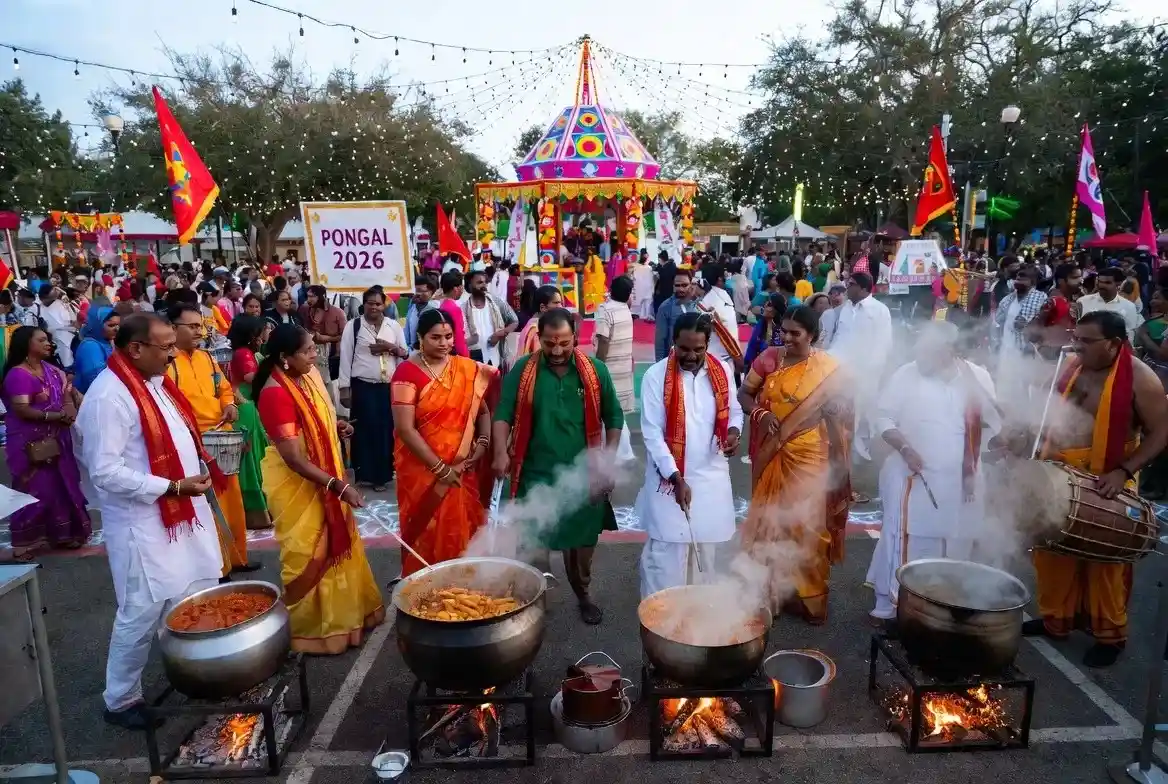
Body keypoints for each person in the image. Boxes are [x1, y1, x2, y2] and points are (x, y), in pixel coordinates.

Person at [76, 314, 222, 729]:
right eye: (165, 347)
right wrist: (173, 485)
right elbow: (104, 471)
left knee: (195, 593)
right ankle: (120, 699)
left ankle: (199, 672)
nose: (173, 353)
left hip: (179, 512)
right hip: (143, 521)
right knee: (140, 609)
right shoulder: (110, 396)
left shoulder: (155, 385)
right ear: (136, 349)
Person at [1022, 311, 1168, 667]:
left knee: (1105, 563)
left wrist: (1124, 470)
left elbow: (1162, 431)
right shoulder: (1071, 366)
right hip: (1060, 470)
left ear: (1114, 344)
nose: (1077, 346)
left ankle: (1110, 635)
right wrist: (1016, 439)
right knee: (1050, 551)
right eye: (1077, 338)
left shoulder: (1140, 378)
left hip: (1109, 477)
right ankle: (1057, 618)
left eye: (1087, 341)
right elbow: (1046, 415)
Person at [255, 324, 385, 653]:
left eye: (315, 347)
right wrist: (338, 486)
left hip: (324, 476)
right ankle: (314, 632)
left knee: (338, 545)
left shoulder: (304, 377)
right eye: (308, 351)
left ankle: (349, 618)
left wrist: (334, 425)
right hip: (299, 483)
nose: (316, 355)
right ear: (285, 358)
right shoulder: (274, 393)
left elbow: (312, 420)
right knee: (307, 552)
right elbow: (295, 459)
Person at [492, 309, 625, 624]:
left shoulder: (595, 371)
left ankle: (583, 594)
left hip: (583, 477)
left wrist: (606, 462)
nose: (556, 351)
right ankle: (538, 596)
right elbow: (503, 414)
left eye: (563, 343)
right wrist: (500, 451)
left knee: (582, 545)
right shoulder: (524, 370)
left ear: (575, 338)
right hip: (535, 473)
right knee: (535, 539)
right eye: (549, 343)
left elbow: (615, 417)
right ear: (539, 338)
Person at [865, 322, 1000, 624]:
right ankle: (895, 603)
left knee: (957, 540)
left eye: (929, 350)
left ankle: (942, 603)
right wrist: (905, 447)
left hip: (962, 480)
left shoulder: (977, 378)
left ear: (950, 350)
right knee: (906, 537)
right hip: (911, 476)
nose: (920, 356)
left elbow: (995, 421)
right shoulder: (906, 374)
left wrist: (1007, 442)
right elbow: (883, 416)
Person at [738, 306, 852, 624]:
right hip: (772, 452)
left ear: (812, 336)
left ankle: (810, 599)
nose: (787, 338)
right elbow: (745, 394)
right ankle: (773, 594)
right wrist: (761, 414)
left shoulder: (828, 368)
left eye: (795, 333)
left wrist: (836, 408)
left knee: (808, 528)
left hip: (810, 456)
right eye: (784, 331)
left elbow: (846, 407)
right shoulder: (769, 359)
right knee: (769, 524)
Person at [637, 313, 742, 598]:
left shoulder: (721, 370)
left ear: (708, 344)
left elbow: (734, 411)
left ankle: (699, 619)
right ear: (674, 343)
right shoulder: (655, 376)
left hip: (712, 478)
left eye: (699, 348)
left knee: (707, 555)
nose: (692, 355)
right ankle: (661, 620)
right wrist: (676, 477)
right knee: (666, 556)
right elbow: (652, 434)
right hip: (669, 479)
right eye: (685, 349)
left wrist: (733, 433)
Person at [392, 309, 496, 575]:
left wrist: (483, 442)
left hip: (462, 471)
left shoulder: (465, 368)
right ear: (420, 337)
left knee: (465, 532)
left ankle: (465, 590)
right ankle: (427, 591)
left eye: (448, 336)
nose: (444, 343)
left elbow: (483, 411)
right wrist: (440, 469)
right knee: (427, 532)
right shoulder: (406, 373)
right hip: (424, 473)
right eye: (435, 337)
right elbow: (405, 429)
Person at [165, 304, 257, 573]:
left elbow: (224, 388)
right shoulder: (168, 363)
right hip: (195, 440)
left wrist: (229, 404)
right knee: (207, 504)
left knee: (232, 498)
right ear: (173, 329)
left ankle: (237, 556)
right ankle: (218, 566)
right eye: (192, 327)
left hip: (222, 435)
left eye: (200, 325)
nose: (199, 331)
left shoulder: (207, 358)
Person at [1, 326, 90, 560]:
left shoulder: (53, 371)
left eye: (48, 339)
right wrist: (55, 417)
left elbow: (67, 395)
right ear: (26, 344)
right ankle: (24, 542)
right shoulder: (18, 374)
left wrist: (69, 414)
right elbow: (22, 409)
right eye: (41, 340)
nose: (48, 343)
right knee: (34, 488)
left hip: (58, 438)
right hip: (29, 443)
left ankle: (64, 534)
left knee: (63, 485)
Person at [338, 287, 409, 490]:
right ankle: (363, 474)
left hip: (388, 387)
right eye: (370, 303)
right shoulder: (354, 326)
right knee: (363, 429)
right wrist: (344, 388)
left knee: (385, 430)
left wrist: (390, 347)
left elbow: (405, 354)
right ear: (364, 304)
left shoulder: (393, 326)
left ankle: (382, 476)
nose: (374, 307)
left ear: (384, 305)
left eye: (378, 303)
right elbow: (345, 356)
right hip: (363, 386)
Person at [824, 272, 892, 465]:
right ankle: (842, 460)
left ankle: (856, 462)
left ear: (864, 288)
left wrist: (868, 372)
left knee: (862, 419)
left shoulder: (880, 310)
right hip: (840, 374)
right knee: (839, 417)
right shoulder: (844, 309)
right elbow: (839, 340)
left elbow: (883, 345)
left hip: (865, 376)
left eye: (851, 284)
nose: (847, 288)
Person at [228, 315, 273, 530]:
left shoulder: (248, 352)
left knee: (255, 455)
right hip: (245, 408)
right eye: (262, 330)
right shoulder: (243, 353)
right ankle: (253, 511)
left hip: (250, 406)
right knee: (250, 457)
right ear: (252, 334)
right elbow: (251, 378)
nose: (265, 333)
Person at [594, 275, 636, 413]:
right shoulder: (626, 309)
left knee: (608, 416)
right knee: (620, 418)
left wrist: (598, 369)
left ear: (611, 290)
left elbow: (604, 340)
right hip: (624, 370)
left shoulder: (605, 309)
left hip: (609, 373)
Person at [461, 269, 518, 367]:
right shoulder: (463, 308)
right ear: (469, 286)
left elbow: (514, 321)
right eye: (479, 283)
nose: (484, 285)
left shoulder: (496, 302)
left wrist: (500, 333)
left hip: (495, 357)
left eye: (485, 282)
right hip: (474, 359)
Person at [697, 261, 745, 373]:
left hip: (721, 356)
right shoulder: (713, 299)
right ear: (719, 279)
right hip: (719, 358)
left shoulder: (709, 299)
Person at [299, 284, 347, 394]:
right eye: (308, 296)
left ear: (321, 296)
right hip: (311, 353)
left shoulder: (337, 313)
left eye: (312, 296)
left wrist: (327, 338)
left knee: (330, 387)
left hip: (332, 356)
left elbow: (345, 336)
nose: (309, 299)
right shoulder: (305, 310)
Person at [1031, 263, 1083, 359]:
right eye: (1075, 277)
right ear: (1061, 281)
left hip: (1065, 354)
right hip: (1051, 356)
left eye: (1080, 277)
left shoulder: (1074, 300)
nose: (1080, 281)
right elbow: (1033, 329)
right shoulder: (1053, 301)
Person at [1078, 267, 1144, 343]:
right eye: (1100, 282)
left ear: (1118, 284)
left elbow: (1129, 334)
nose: (1102, 285)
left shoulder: (1129, 306)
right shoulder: (1083, 301)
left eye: (1107, 283)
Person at [654, 268, 700, 361]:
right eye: (677, 285)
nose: (680, 289)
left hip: (696, 361)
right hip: (674, 361)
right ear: (673, 286)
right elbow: (660, 340)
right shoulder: (665, 307)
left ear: (691, 285)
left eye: (684, 285)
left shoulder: (699, 305)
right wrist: (659, 364)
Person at [73, 307, 120, 393]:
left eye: (118, 325)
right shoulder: (90, 346)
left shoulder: (108, 342)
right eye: (111, 325)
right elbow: (96, 380)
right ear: (97, 325)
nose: (117, 329)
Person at [425, 271, 470, 357]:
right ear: (456, 289)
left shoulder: (442, 305)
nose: (462, 290)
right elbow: (458, 336)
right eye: (462, 287)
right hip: (455, 353)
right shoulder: (454, 308)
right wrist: (465, 357)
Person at [516, 285, 563, 358]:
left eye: (561, 303)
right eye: (556, 303)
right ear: (543, 307)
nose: (560, 307)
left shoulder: (538, 325)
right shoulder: (534, 329)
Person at [39, 283, 79, 368]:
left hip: (69, 339)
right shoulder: (39, 308)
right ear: (43, 298)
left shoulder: (62, 303)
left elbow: (73, 321)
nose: (56, 292)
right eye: (53, 291)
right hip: (52, 343)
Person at [744, 293, 788, 367]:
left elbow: (768, 351)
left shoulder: (783, 330)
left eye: (769, 304)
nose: (765, 305)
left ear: (776, 310)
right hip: (757, 367)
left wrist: (770, 322)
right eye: (766, 302)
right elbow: (751, 348)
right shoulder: (761, 324)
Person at [403, 276, 435, 349]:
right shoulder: (412, 308)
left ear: (431, 292)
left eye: (421, 291)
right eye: (416, 291)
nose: (417, 294)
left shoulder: (434, 309)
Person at [632, 252, 656, 320]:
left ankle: (641, 315)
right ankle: (646, 316)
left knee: (640, 304)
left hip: (639, 288)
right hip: (647, 288)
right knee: (647, 304)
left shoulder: (636, 267)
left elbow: (634, 277)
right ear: (646, 260)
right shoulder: (649, 268)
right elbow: (651, 279)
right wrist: (652, 288)